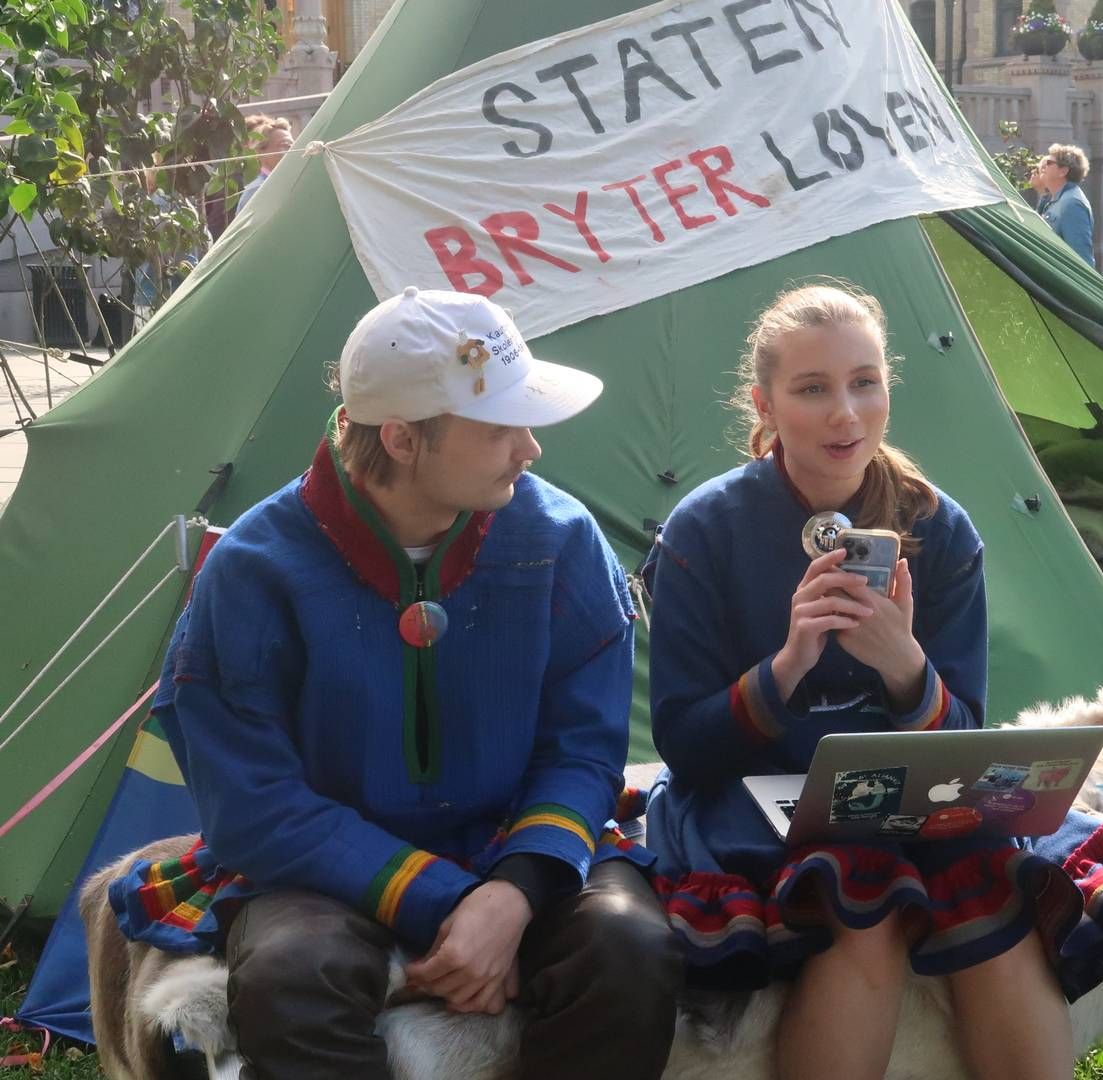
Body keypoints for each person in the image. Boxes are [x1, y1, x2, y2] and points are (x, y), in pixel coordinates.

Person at [642, 282, 1103, 1080]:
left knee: (994, 895)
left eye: (866, 382)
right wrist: (788, 664)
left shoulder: (937, 526)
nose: (847, 414)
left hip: (910, 797)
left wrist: (903, 665)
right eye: (812, 389)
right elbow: (686, 746)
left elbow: (963, 727)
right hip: (754, 801)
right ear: (764, 404)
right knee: (861, 912)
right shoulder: (708, 525)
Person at [110, 288, 682, 1079]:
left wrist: (512, 894)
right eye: (499, 428)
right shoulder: (255, 569)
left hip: (513, 841)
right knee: (291, 981)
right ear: (404, 439)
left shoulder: (558, 541)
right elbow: (253, 802)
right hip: (324, 869)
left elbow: (583, 751)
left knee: (629, 946)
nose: (531, 449)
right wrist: (447, 900)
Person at [1034, 143, 1095, 267]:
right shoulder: (1054, 198)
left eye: (1049, 163)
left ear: (1063, 171)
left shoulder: (1072, 204)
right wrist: (1041, 190)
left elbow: (1082, 260)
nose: (1042, 165)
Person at [235, 115, 293, 213]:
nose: (292, 150)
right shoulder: (256, 192)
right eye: (285, 145)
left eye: (293, 145)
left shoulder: (293, 182)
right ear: (260, 152)